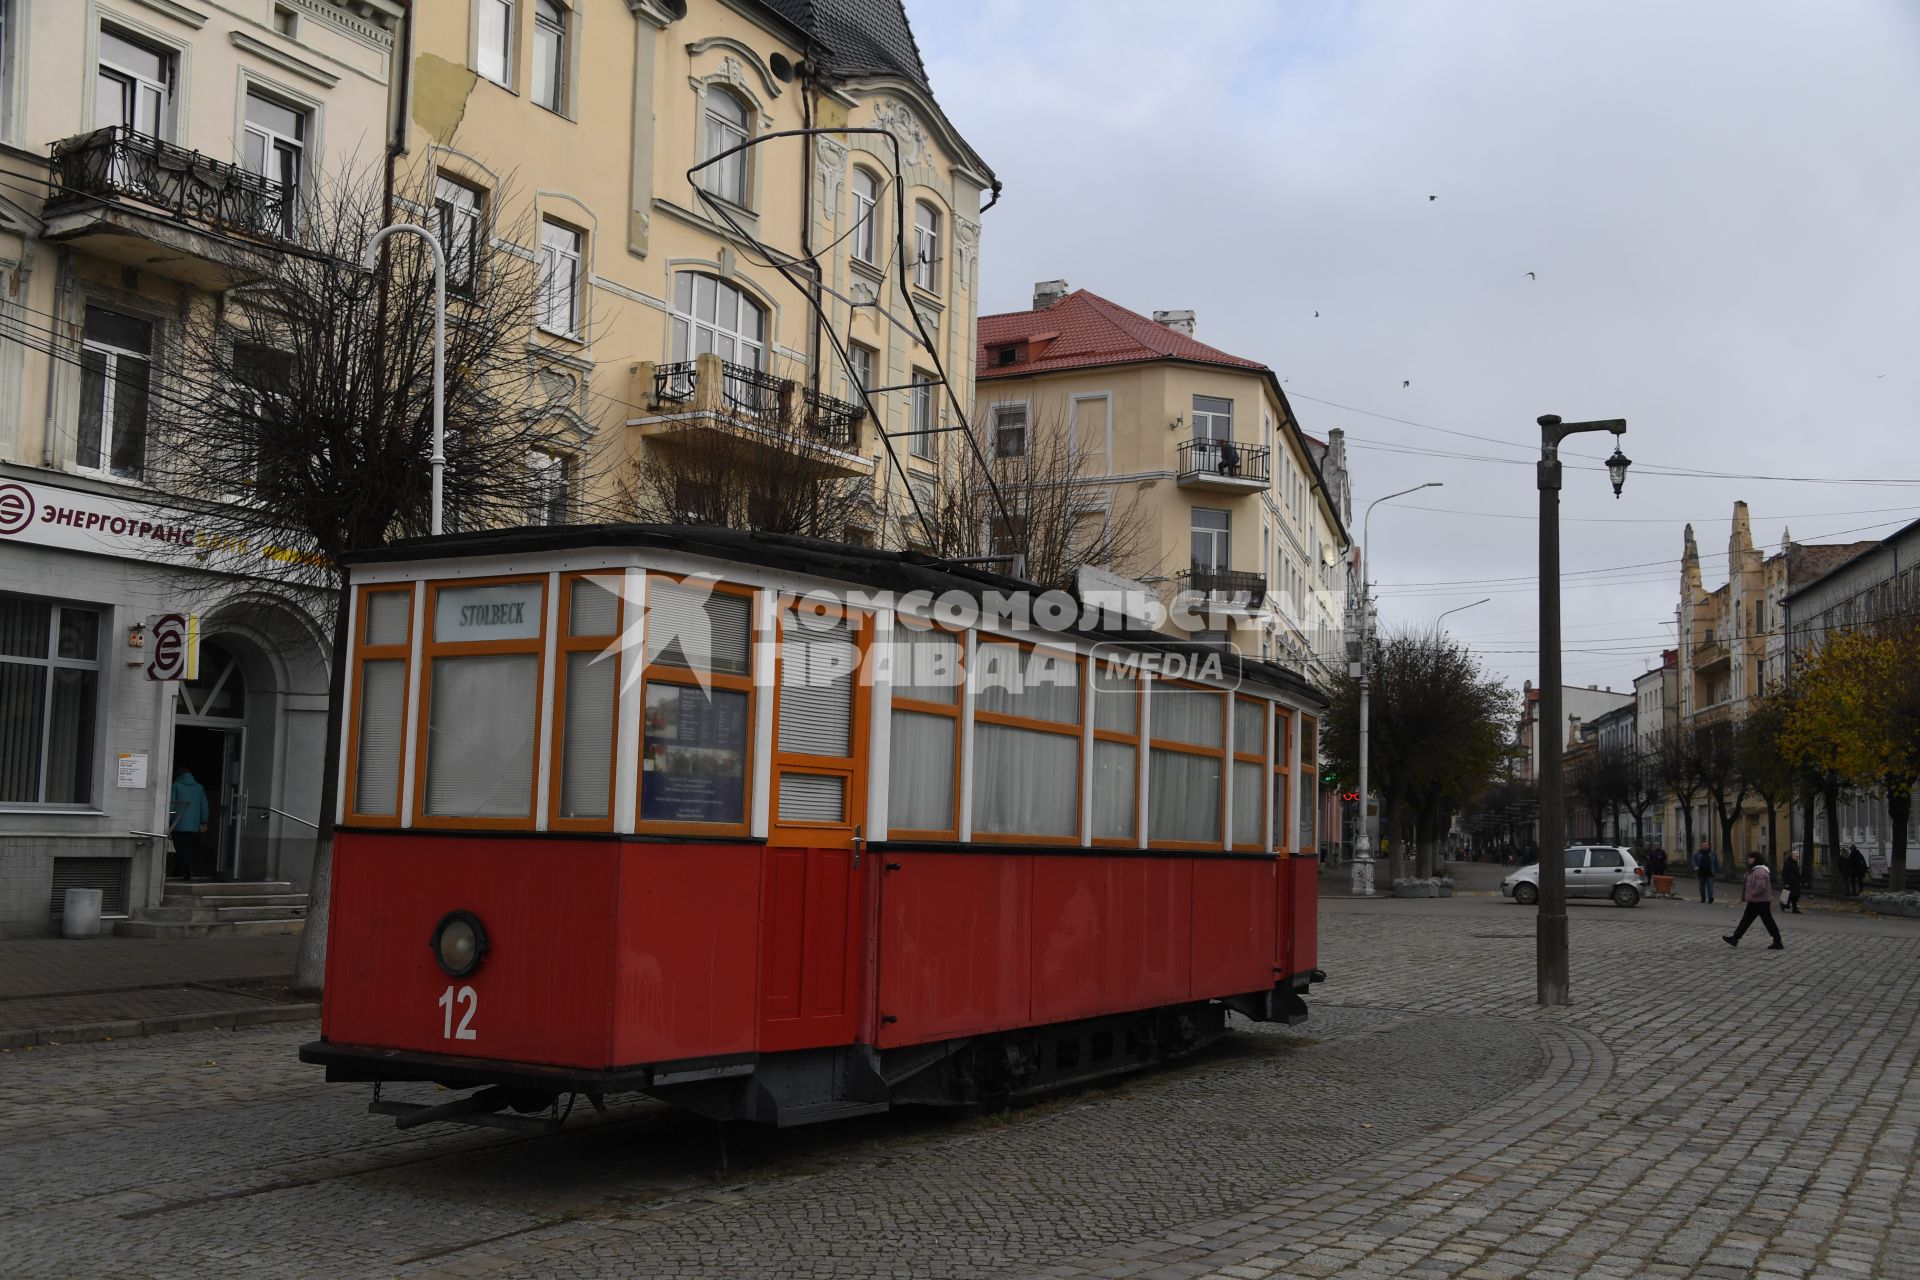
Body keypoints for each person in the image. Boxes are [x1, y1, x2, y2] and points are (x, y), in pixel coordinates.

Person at [1724, 853, 1784, 949]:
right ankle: (1735, 938)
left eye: (1751, 858)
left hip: (1760, 901)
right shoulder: (1754, 870)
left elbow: (1760, 887)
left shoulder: (1759, 871)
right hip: (1757, 901)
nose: (1749, 859)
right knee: (1749, 920)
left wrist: (1752, 895)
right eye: (1749, 857)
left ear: (1756, 859)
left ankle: (1777, 941)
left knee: (1765, 921)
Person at [168, 767, 210, 882]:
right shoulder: (199, 787)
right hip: (194, 824)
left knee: (180, 847)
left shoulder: (175, 786)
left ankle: (186, 870)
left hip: (178, 822)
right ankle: (177, 870)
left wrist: (169, 819)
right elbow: (204, 805)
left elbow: (172, 804)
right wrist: (204, 821)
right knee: (186, 847)